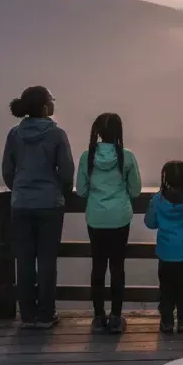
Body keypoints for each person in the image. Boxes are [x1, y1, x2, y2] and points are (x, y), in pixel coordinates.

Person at [1, 85, 74, 330]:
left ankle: (27, 315)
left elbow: (7, 172)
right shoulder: (57, 135)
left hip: (21, 204)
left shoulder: (14, 134)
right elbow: (66, 171)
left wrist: (21, 190)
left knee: (23, 260)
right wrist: (58, 191)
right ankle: (45, 315)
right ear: (44, 107)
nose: (54, 103)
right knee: (46, 260)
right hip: (49, 205)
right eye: (52, 100)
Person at [76, 112, 142, 334]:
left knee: (98, 266)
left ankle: (98, 317)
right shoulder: (127, 157)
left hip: (95, 218)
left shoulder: (88, 157)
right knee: (117, 266)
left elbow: (82, 190)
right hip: (119, 218)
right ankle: (115, 316)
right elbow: (135, 190)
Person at [144, 161, 183, 334]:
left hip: (165, 254)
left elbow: (150, 223)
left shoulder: (157, 200)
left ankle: (167, 322)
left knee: (166, 288)